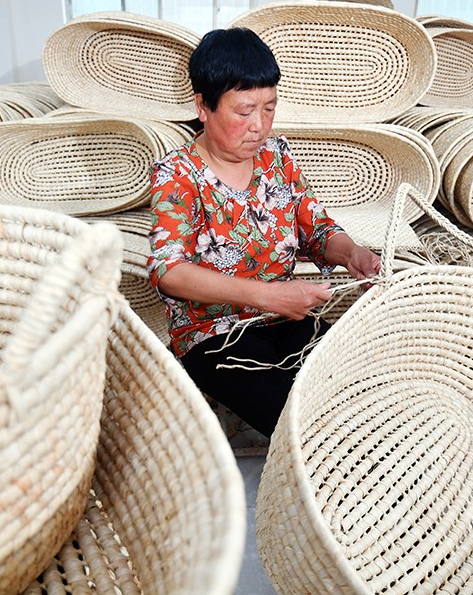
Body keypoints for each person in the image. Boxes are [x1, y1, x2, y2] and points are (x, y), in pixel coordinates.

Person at [147, 27, 381, 438]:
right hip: (213, 334)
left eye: (269, 108)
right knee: (300, 422)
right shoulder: (178, 174)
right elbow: (168, 271)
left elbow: (318, 228)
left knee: (359, 393)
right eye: (244, 112)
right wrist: (269, 295)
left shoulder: (278, 157)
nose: (259, 125)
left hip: (284, 318)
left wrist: (352, 254)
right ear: (203, 106)